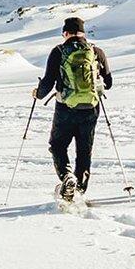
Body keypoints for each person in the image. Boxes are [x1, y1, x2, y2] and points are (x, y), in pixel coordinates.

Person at [33, 16, 112, 201]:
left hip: (65, 109)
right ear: (83, 33)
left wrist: (37, 94)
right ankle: (79, 190)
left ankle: (67, 177)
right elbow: (108, 83)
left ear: (65, 33)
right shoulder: (96, 51)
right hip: (90, 109)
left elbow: (48, 84)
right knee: (84, 150)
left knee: (58, 145)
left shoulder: (58, 51)